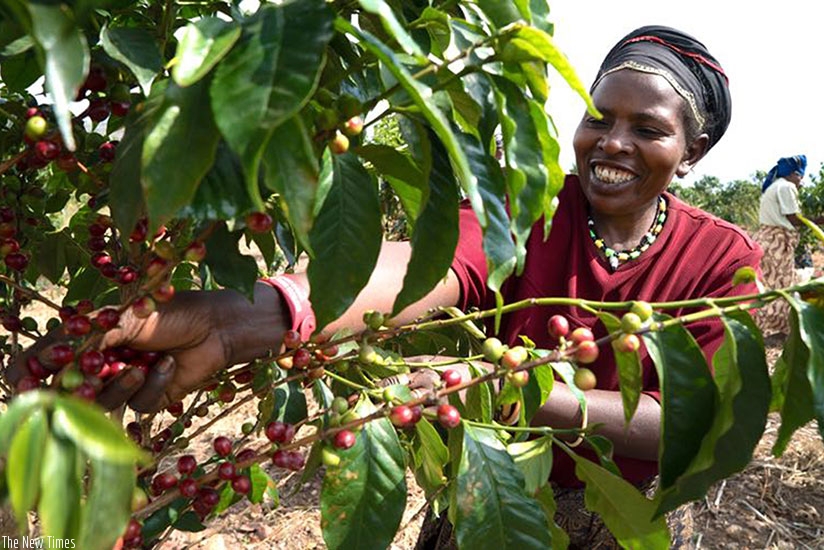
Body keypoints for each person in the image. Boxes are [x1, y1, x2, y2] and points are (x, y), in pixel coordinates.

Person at [10, 25, 762, 549]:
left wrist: (515, 389)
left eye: (649, 129)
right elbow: (420, 268)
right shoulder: (534, 211)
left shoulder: (722, 258)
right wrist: (246, 320)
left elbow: (695, 426)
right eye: (600, 116)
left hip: (620, 522)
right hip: (493, 496)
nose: (614, 142)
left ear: (692, 151)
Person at [754, 155, 823, 338]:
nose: (801, 181)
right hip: (777, 242)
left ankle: (765, 327)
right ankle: (777, 330)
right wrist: (819, 221)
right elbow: (793, 218)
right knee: (782, 286)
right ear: (794, 174)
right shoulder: (786, 186)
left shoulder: (774, 186)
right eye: (800, 176)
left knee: (768, 284)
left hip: (766, 239)